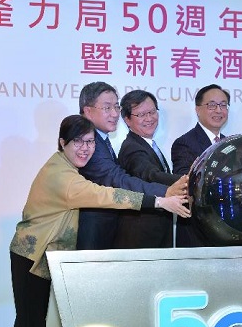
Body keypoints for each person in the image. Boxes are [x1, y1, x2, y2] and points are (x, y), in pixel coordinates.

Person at [3, 115, 190, 327]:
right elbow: (107, 195)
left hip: (42, 255)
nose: (84, 148)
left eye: (90, 142)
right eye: (77, 142)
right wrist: (160, 202)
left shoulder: (66, 167)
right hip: (30, 256)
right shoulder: (63, 177)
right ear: (62, 143)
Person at [76, 82, 188, 251]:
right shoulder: (90, 144)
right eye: (107, 108)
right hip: (98, 236)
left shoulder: (101, 140)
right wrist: (168, 190)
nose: (114, 114)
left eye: (116, 107)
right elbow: (118, 179)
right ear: (88, 111)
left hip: (109, 234)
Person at [114, 90, 183, 248]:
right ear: (127, 120)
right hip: (141, 236)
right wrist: (187, 179)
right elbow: (150, 175)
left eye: (152, 112)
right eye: (141, 114)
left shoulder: (146, 143)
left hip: (155, 232)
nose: (149, 118)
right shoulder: (133, 149)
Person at [171, 84, 230, 247]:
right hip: (197, 233)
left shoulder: (230, 144)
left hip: (227, 231)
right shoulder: (184, 143)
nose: (218, 110)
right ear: (198, 109)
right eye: (211, 105)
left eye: (223, 105)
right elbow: (185, 183)